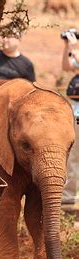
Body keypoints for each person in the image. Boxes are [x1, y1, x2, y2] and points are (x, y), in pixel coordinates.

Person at [61, 30, 79, 206]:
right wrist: (67, 47)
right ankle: (69, 197)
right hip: (75, 113)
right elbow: (66, 67)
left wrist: (74, 48)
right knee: (72, 156)